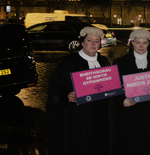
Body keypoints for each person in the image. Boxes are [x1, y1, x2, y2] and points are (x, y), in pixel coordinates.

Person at [46, 27, 113, 155]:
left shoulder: (104, 61)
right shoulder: (68, 63)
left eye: (97, 41)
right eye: (89, 40)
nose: (93, 44)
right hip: (79, 118)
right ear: (82, 42)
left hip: (102, 115)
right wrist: (67, 95)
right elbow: (56, 88)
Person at [112, 28, 150, 155]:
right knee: (131, 144)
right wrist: (122, 101)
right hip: (130, 111)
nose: (141, 46)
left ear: (149, 43)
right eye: (138, 42)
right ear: (132, 43)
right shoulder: (120, 62)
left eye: (144, 43)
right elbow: (114, 87)